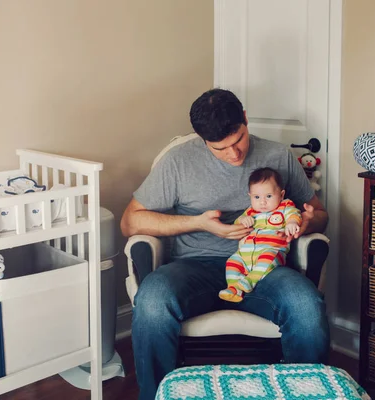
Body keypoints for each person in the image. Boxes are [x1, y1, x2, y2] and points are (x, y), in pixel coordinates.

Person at [120, 88, 330, 400]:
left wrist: (306, 221)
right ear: (201, 138)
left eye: (239, 140)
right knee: (152, 301)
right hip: (195, 266)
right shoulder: (178, 162)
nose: (234, 154)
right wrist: (199, 223)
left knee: (306, 305)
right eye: (220, 149)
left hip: (265, 267)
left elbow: (321, 214)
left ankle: (305, 394)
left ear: (245, 119)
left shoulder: (277, 156)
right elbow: (130, 222)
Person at [219, 167, 302, 303]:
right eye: (257, 197)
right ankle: (234, 289)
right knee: (232, 262)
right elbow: (237, 223)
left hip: (272, 250)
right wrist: (242, 220)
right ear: (250, 196)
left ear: (281, 195)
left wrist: (292, 223)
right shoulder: (250, 212)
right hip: (245, 254)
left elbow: (294, 215)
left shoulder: (284, 207)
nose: (262, 202)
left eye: (268, 196)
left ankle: (249, 281)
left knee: (267, 259)